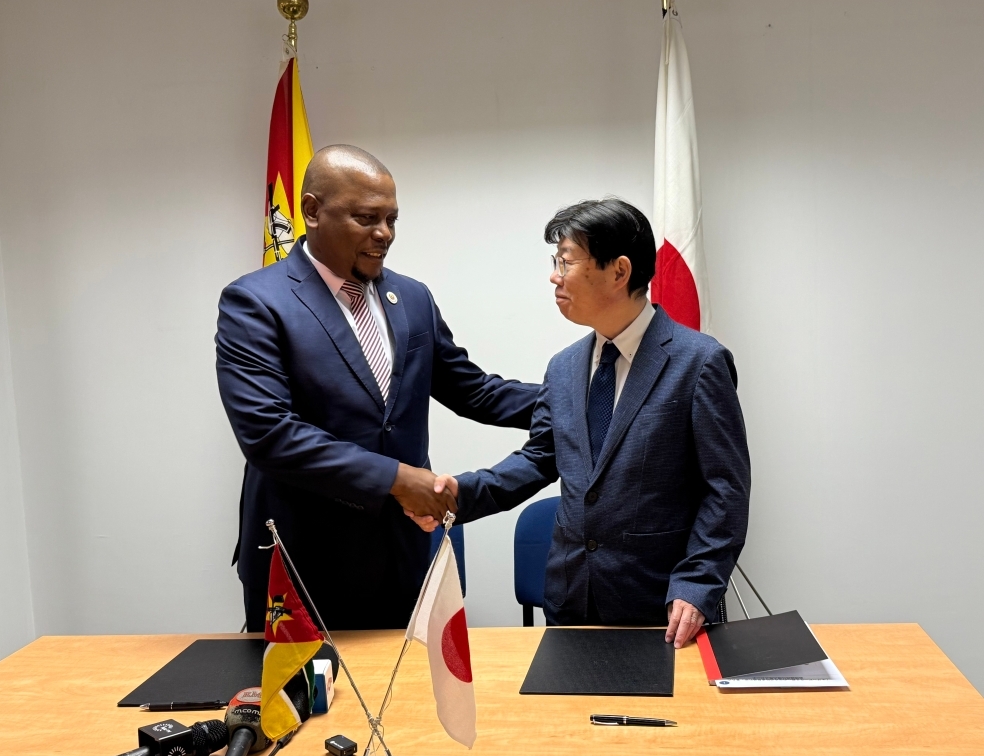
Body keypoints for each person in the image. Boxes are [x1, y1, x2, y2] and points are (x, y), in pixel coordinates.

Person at [216, 144, 538, 631]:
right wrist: (397, 479)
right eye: (366, 218)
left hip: (402, 557)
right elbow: (268, 433)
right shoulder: (256, 302)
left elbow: (473, 391)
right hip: (302, 563)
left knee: (405, 681)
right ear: (312, 211)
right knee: (309, 686)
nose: (384, 233)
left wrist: (577, 396)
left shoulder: (411, 296)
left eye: (391, 219)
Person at [411, 199, 750, 648]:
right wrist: (460, 494)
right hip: (572, 599)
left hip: (663, 606)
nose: (555, 276)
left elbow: (725, 489)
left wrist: (698, 582)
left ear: (619, 271)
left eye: (565, 261)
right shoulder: (565, 366)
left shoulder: (699, 362)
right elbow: (540, 458)